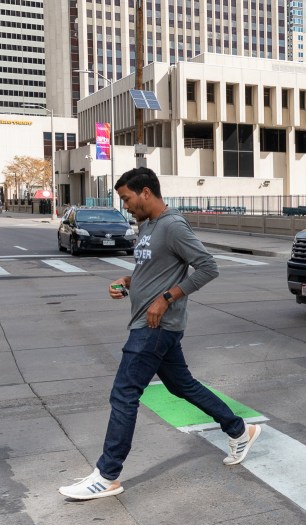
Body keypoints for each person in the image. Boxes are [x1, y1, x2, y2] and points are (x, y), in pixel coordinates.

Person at [58, 167, 261, 501]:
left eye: (127, 199)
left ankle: (108, 475)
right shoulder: (147, 225)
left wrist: (167, 298)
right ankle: (240, 429)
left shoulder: (172, 226)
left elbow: (209, 267)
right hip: (147, 322)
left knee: (124, 393)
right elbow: (150, 270)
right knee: (183, 386)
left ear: (146, 193)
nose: (125, 206)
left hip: (154, 327)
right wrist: (128, 282)